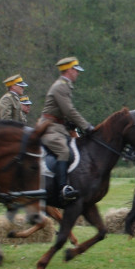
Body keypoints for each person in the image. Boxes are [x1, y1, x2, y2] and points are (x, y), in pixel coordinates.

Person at [40, 56, 94, 202]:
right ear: (69, 70)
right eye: (76, 70)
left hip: (59, 127)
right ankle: (63, 188)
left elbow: (66, 113)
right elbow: (69, 110)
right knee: (63, 151)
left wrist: (75, 126)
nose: (78, 73)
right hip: (50, 128)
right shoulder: (60, 86)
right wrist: (87, 126)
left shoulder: (65, 86)